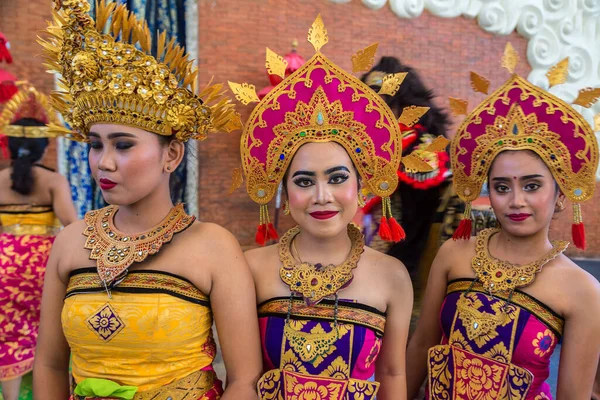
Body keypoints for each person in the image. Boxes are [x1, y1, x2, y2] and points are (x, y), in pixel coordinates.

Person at [34, 1, 262, 399]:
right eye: (95, 144)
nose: (104, 162)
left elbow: (244, 379)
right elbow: (51, 363)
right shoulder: (71, 242)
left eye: (123, 145)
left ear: (171, 155)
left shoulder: (213, 247)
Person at [230, 15, 426, 399]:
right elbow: (244, 379)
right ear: (282, 192)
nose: (322, 196)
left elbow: (392, 375)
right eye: (304, 181)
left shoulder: (392, 276)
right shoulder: (249, 268)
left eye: (337, 178)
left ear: (361, 183)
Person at [406, 46, 600, 399]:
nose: (516, 201)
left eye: (532, 185)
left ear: (560, 193)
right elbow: (421, 346)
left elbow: (574, 393)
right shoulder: (455, 254)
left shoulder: (582, 291)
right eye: (501, 187)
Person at [0, 83, 77, 400]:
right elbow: (72, 224)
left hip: (3, 263)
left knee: (8, 333)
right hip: (41, 267)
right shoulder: (53, 181)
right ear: (44, 146)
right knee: (50, 332)